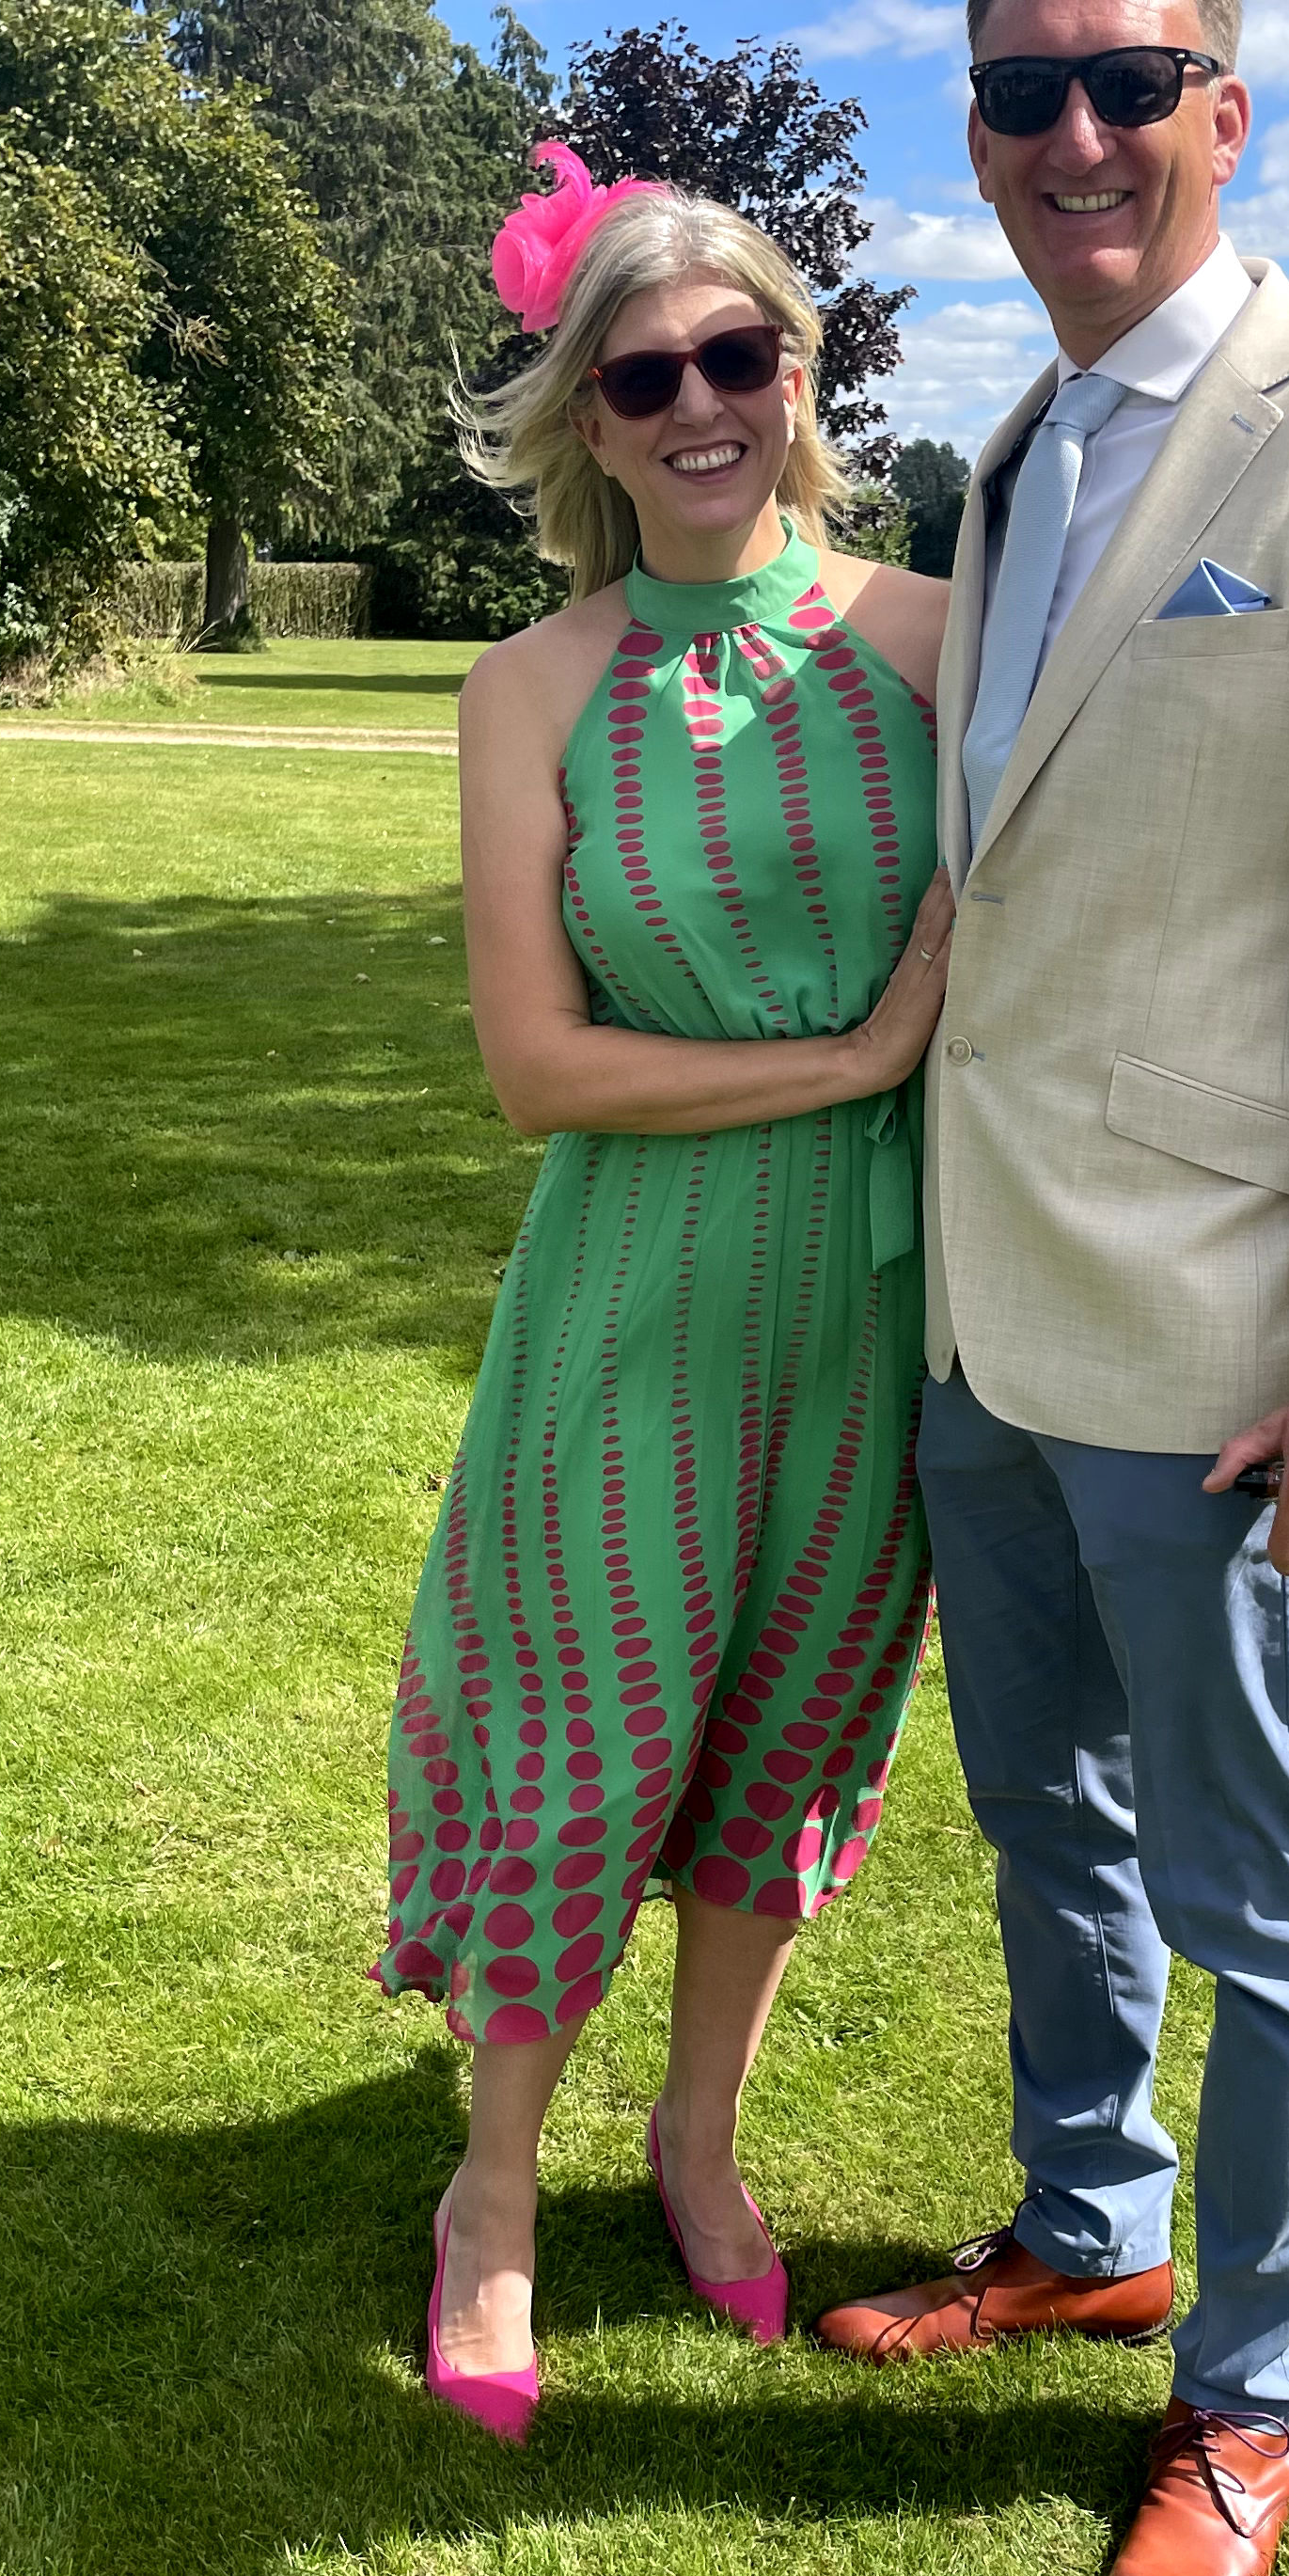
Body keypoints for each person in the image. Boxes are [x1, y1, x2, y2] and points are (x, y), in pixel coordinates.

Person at [812, 0, 1289, 2576]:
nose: (1075, 137)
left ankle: (1246, 2390)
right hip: (987, 1319)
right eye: (1024, 94)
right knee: (1048, 1820)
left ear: (1228, 114)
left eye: (1128, 84)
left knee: (1270, 1895)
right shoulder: (1010, 452)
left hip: (1231, 1347)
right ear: (980, 137)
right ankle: (1090, 2223)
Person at [375, 149, 953, 2442]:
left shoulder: (934, 639)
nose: (698, 401)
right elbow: (536, 1068)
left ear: (798, 376)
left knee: (791, 1730)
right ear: (586, 426)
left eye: (736, 353)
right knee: (586, 1731)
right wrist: (849, 1056)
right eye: (643, 376)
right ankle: (491, 2191)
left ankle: (696, 2137)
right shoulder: (527, 687)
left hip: (873, 1307)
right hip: (633, 1292)